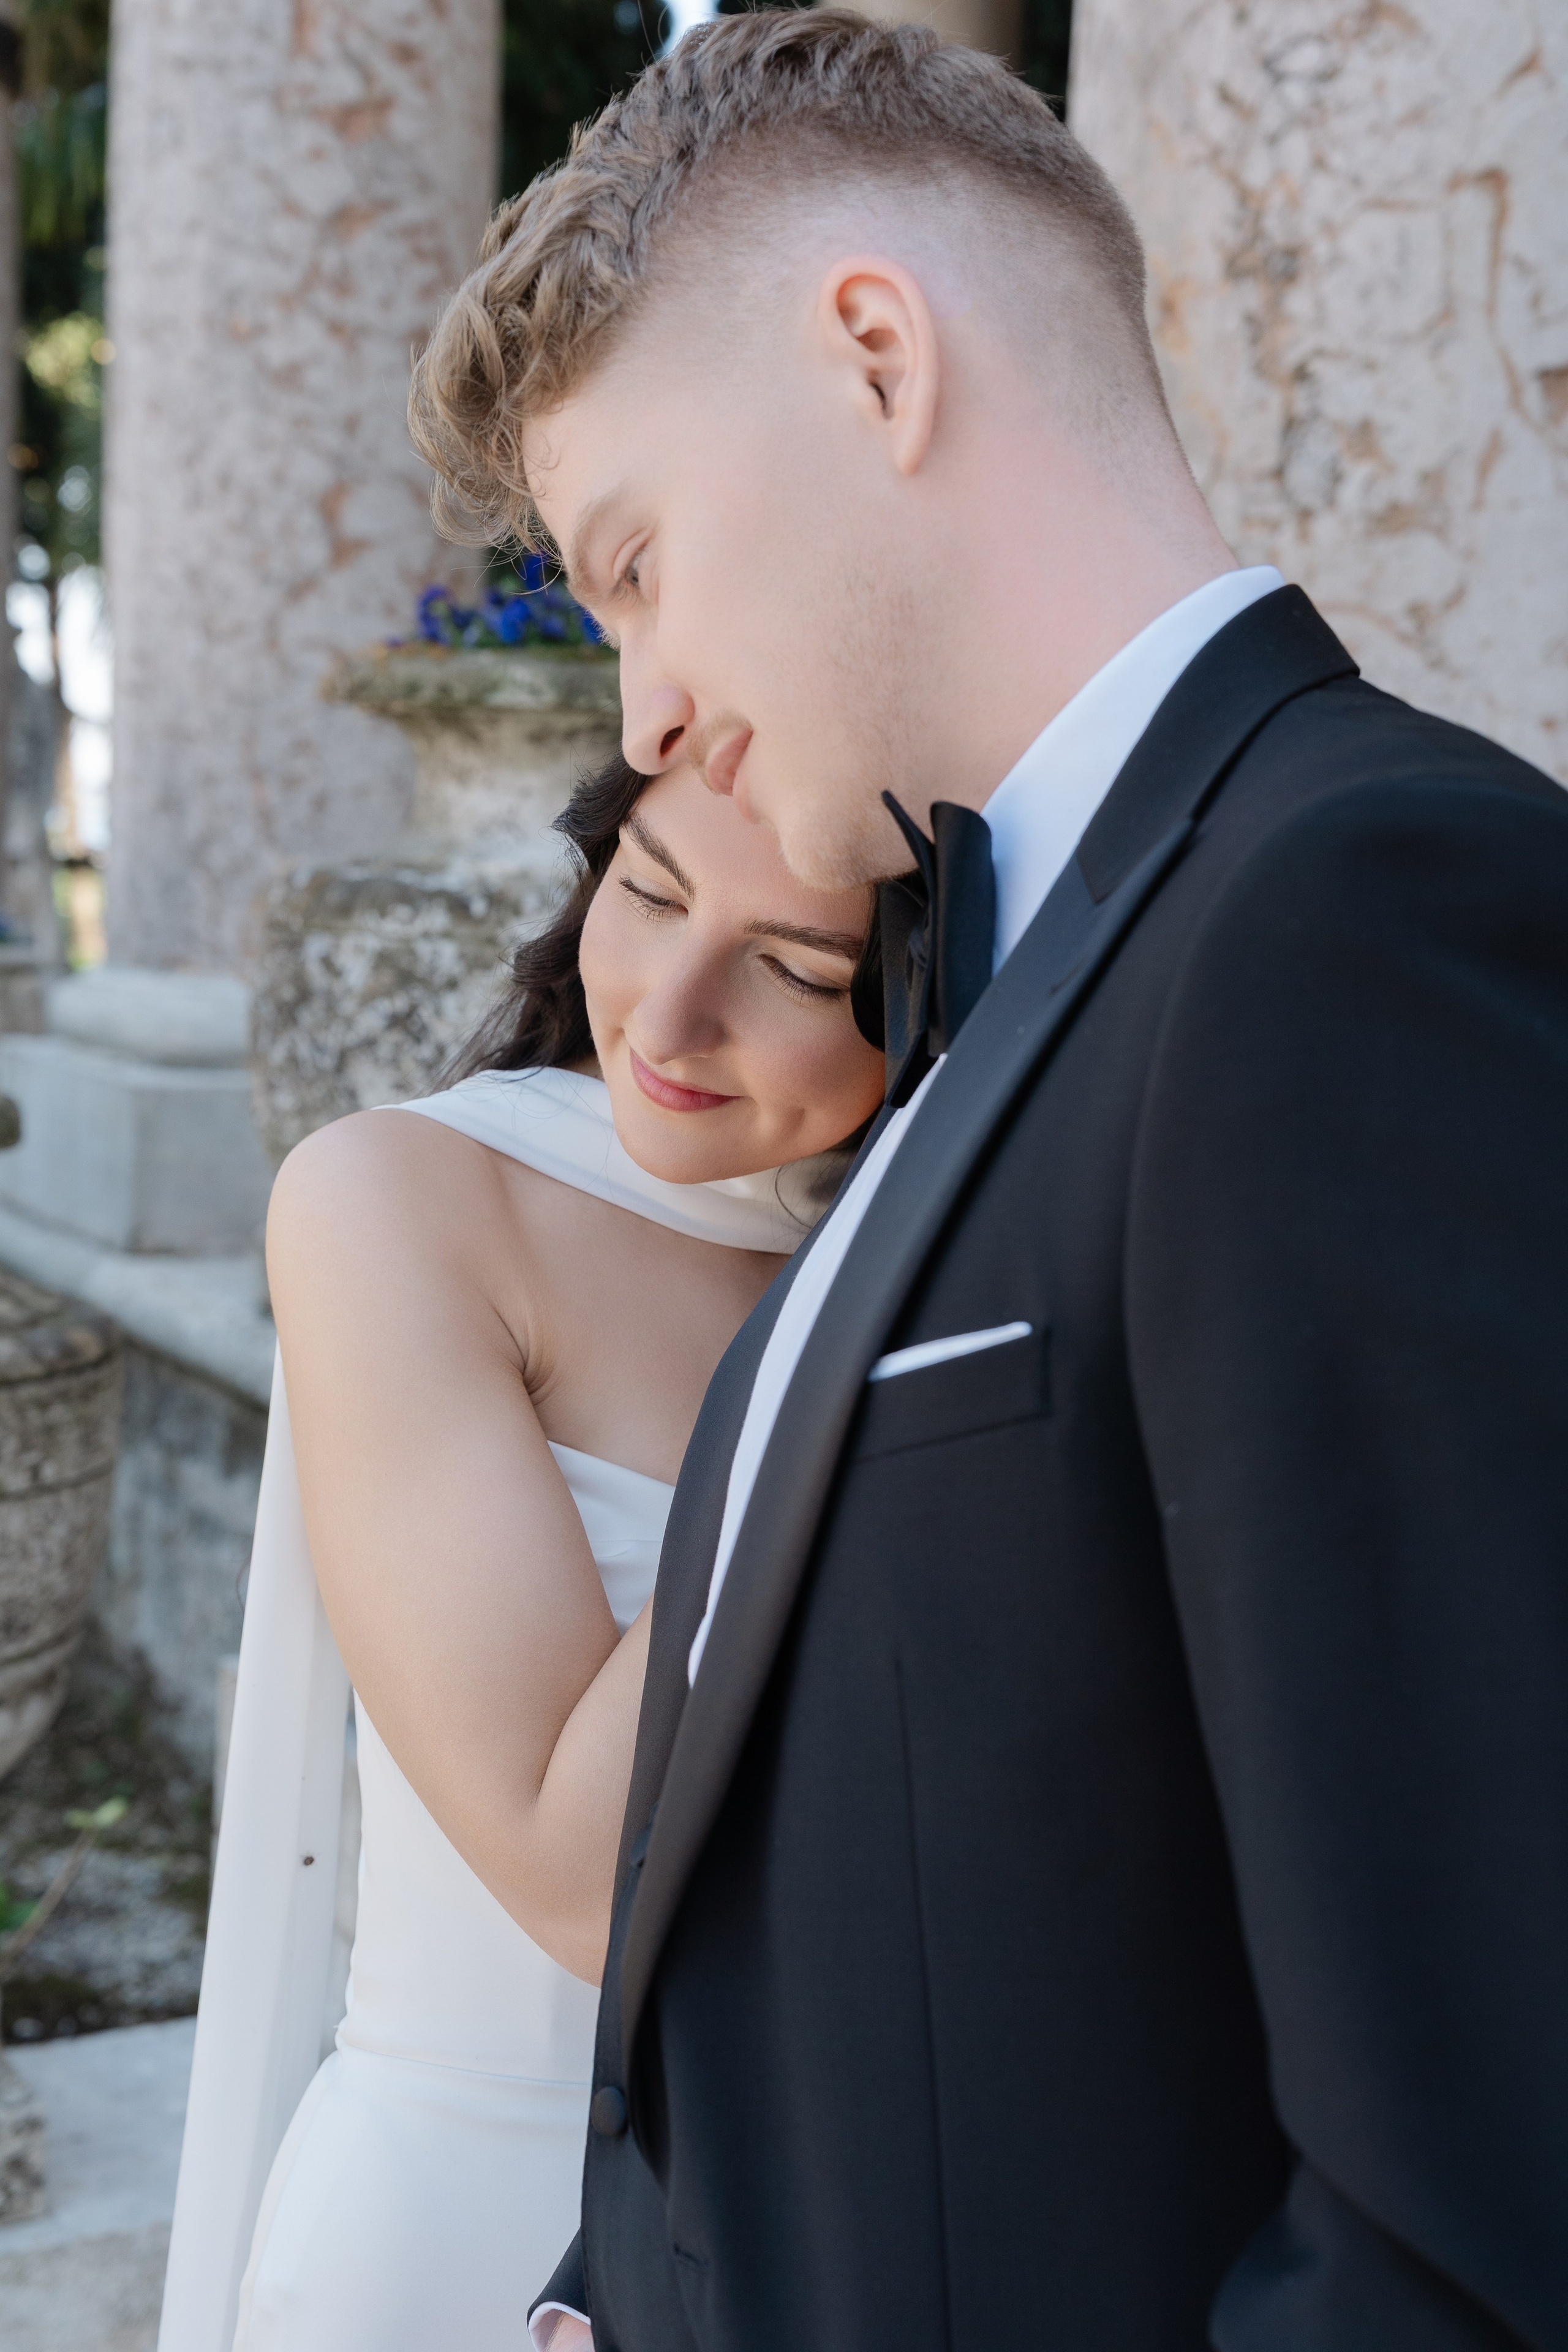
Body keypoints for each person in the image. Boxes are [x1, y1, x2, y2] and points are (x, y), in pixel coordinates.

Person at [409, 13, 1568, 2351]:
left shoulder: (1351, 919)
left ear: (871, 359)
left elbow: (1473, 2202)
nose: (636, 712)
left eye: (632, 561)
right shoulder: (996, 996)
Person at [155, 751, 886, 2352]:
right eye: (648, 893)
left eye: (798, 970)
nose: (672, 1013)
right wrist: (885, 1297)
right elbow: (572, 1870)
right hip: (474, 2222)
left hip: (856, 2230)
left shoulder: (950, 1262)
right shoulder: (411, 1199)